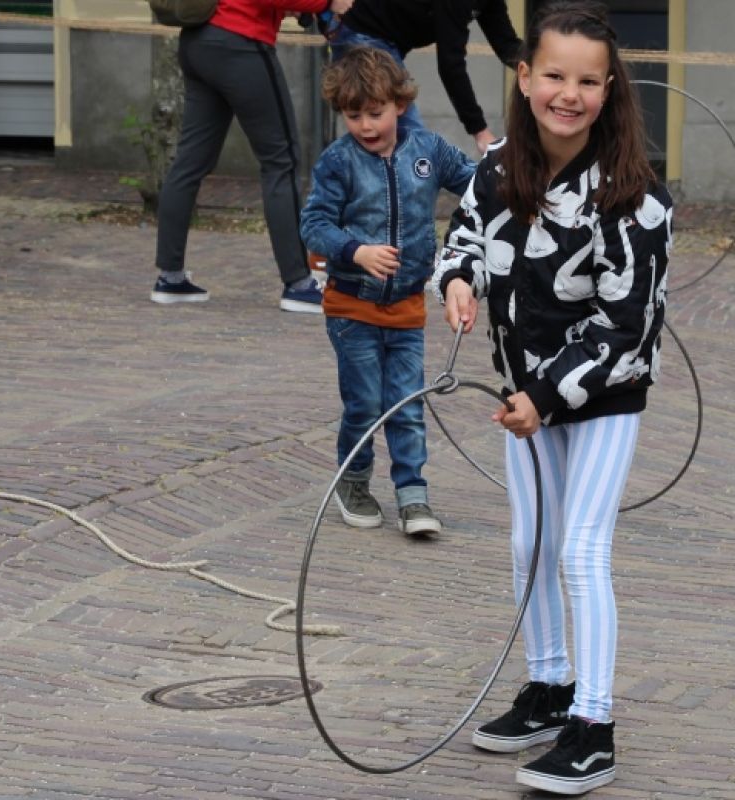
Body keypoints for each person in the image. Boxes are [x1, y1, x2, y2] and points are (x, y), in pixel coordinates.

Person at [433, 2, 671, 794]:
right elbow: (464, 235)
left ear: (610, 90)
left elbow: (624, 324)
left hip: (598, 399)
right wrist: (459, 278)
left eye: (588, 81)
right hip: (522, 395)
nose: (568, 94)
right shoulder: (497, 166)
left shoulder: (634, 197)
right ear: (526, 77)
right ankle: (548, 686)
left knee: (579, 549)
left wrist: (543, 392)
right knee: (527, 543)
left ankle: (594, 726)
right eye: (554, 76)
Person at [300, 47, 477, 535]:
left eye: (375, 113)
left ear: (399, 104)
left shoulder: (429, 150)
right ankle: (353, 481)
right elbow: (313, 224)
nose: (365, 125)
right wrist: (355, 250)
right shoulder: (338, 162)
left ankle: (412, 495)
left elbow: (478, 185)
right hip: (351, 308)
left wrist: (518, 186)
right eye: (353, 116)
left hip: (406, 308)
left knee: (405, 402)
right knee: (365, 403)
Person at [150, 0, 354, 312]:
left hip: (199, 42)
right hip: (240, 43)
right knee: (280, 162)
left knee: (189, 163)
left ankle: (170, 278)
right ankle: (298, 284)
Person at [320, 0, 522, 153]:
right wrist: (480, 131)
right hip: (362, 33)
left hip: (389, 41)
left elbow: (508, 46)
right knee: (412, 145)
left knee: (403, 146)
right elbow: (451, 65)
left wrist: (546, 65)